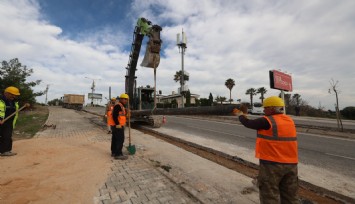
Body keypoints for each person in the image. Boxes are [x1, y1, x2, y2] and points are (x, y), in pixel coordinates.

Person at [233, 96, 299, 203]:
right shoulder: (289, 120)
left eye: (265, 108)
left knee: (269, 195)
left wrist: (240, 115)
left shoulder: (267, 120)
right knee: (290, 195)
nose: (263, 110)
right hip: (291, 165)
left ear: (272, 108)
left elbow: (248, 123)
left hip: (272, 165)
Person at [0, 86, 21, 156]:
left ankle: (6, 151)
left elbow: (16, 111)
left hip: (9, 122)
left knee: (7, 136)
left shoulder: (13, 102)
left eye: (15, 95)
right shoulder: (1, 101)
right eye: (12, 94)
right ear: (6, 93)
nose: (14, 96)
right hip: (1, 121)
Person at [109, 93, 129, 160]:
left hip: (116, 125)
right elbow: (114, 115)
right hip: (118, 126)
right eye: (125, 99)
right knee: (120, 140)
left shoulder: (122, 106)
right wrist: (117, 124)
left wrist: (127, 113)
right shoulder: (118, 106)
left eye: (126, 99)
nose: (126, 101)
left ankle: (114, 152)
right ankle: (118, 154)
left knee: (115, 139)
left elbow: (122, 116)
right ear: (121, 99)